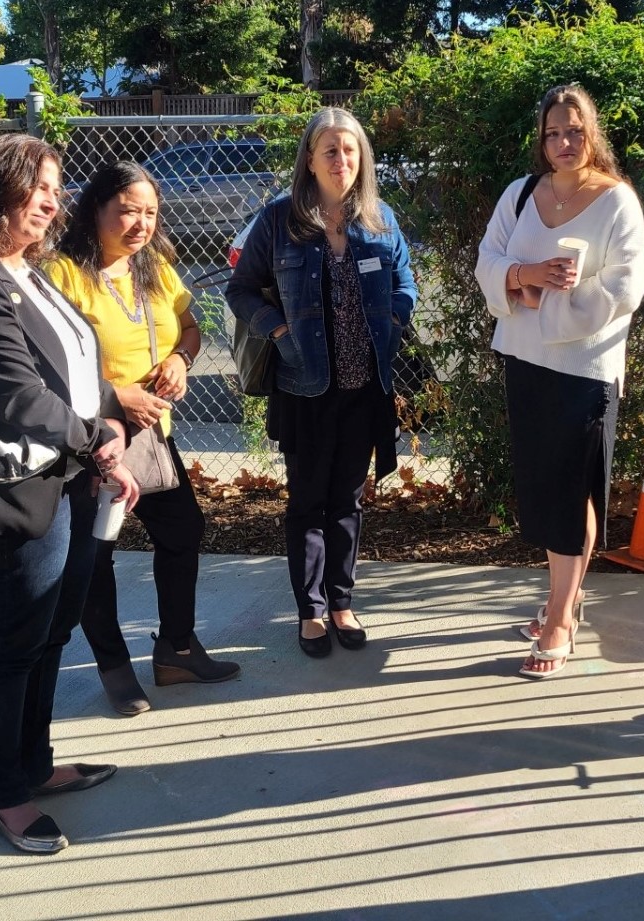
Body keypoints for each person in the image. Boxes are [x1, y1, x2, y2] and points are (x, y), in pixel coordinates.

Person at [0, 133, 140, 854]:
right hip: (23, 487)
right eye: (40, 186)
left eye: (57, 188)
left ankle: (37, 762)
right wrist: (98, 440)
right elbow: (20, 396)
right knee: (16, 640)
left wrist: (112, 413)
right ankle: (4, 793)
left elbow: (74, 369)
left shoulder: (33, 270)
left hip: (75, 475)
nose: (53, 200)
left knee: (53, 630)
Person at [48, 162, 240, 716]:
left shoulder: (153, 267)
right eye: (128, 210)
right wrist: (115, 396)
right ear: (96, 210)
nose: (140, 223)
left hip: (154, 434)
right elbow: (48, 364)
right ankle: (113, 666)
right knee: (95, 555)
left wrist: (181, 359)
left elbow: (191, 326)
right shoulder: (63, 274)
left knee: (183, 530)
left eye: (150, 212)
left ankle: (176, 650)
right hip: (90, 436)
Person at [226, 107, 417, 658]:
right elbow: (240, 291)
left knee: (347, 501)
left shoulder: (381, 220)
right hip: (304, 388)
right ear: (309, 159)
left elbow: (405, 279)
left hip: (365, 387)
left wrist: (398, 316)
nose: (341, 160)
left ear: (363, 158)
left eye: (350, 149)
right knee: (308, 501)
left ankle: (341, 603)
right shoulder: (278, 220)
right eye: (329, 149)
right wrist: (280, 329)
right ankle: (310, 610)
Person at [474, 84, 644, 678]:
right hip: (525, 360)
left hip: (585, 368)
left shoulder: (616, 200)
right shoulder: (522, 192)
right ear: (542, 139)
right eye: (553, 133)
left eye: (574, 131)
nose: (564, 142)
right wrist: (523, 275)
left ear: (591, 132)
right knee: (544, 484)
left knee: (574, 488)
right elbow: (488, 261)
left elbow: (627, 286)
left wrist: (543, 302)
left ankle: (560, 615)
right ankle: (565, 599)